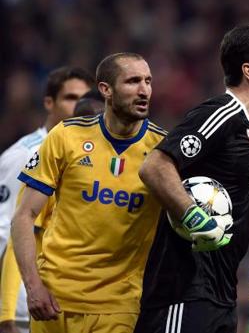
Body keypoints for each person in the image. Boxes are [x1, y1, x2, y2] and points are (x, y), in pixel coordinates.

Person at [135, 25, 249, 333]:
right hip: (184, 292)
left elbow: (226, 198)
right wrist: (193, 217)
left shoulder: (247, 133)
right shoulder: (221, 113)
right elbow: (155, 165)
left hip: (219, 296)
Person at [11, 53, 166, 333]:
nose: (144, 90)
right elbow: (24, 216)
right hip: (54, 297)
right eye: (132, 81)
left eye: (148, 81)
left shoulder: (162, 149)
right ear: (106, 90)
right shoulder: (65, 137)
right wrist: (33, 286)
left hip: (118, 304)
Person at [0, 87, 104, 333]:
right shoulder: (41, 159)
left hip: (102, 304)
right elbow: (17, 235)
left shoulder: (115, 170)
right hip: (43, 306)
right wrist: (7, 314)